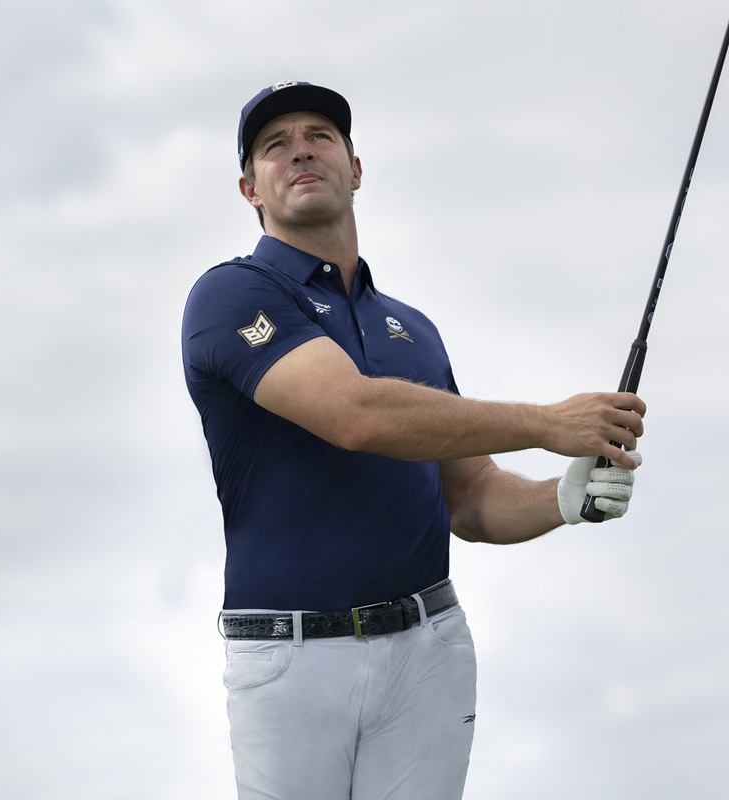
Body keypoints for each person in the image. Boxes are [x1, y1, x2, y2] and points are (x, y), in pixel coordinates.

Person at [180, 81, 646, 800]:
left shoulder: (414, 329)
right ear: (250, 190)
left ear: (356, 169)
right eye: (276, 145)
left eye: (320, 136)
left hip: (429, 651)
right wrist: (548, 424)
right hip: (289, 661)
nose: (301, 150)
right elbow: (356, 415)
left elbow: (472, 497)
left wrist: (564, 497)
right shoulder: (230, 295)